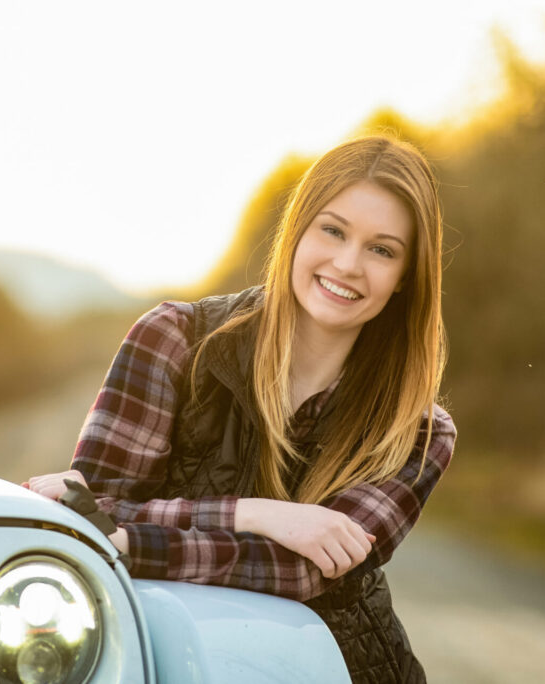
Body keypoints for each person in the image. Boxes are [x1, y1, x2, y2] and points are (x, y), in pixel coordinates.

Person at [25, 135, 456, 683]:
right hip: (163, 661)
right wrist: (255, 513)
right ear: (297, 231)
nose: (348, 264)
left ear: (404, 279)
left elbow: (307, 570)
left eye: (382, 249)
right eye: (333, 230)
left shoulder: (418, 432)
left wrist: (133, 541)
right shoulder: (175, 339)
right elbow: (86, 515)